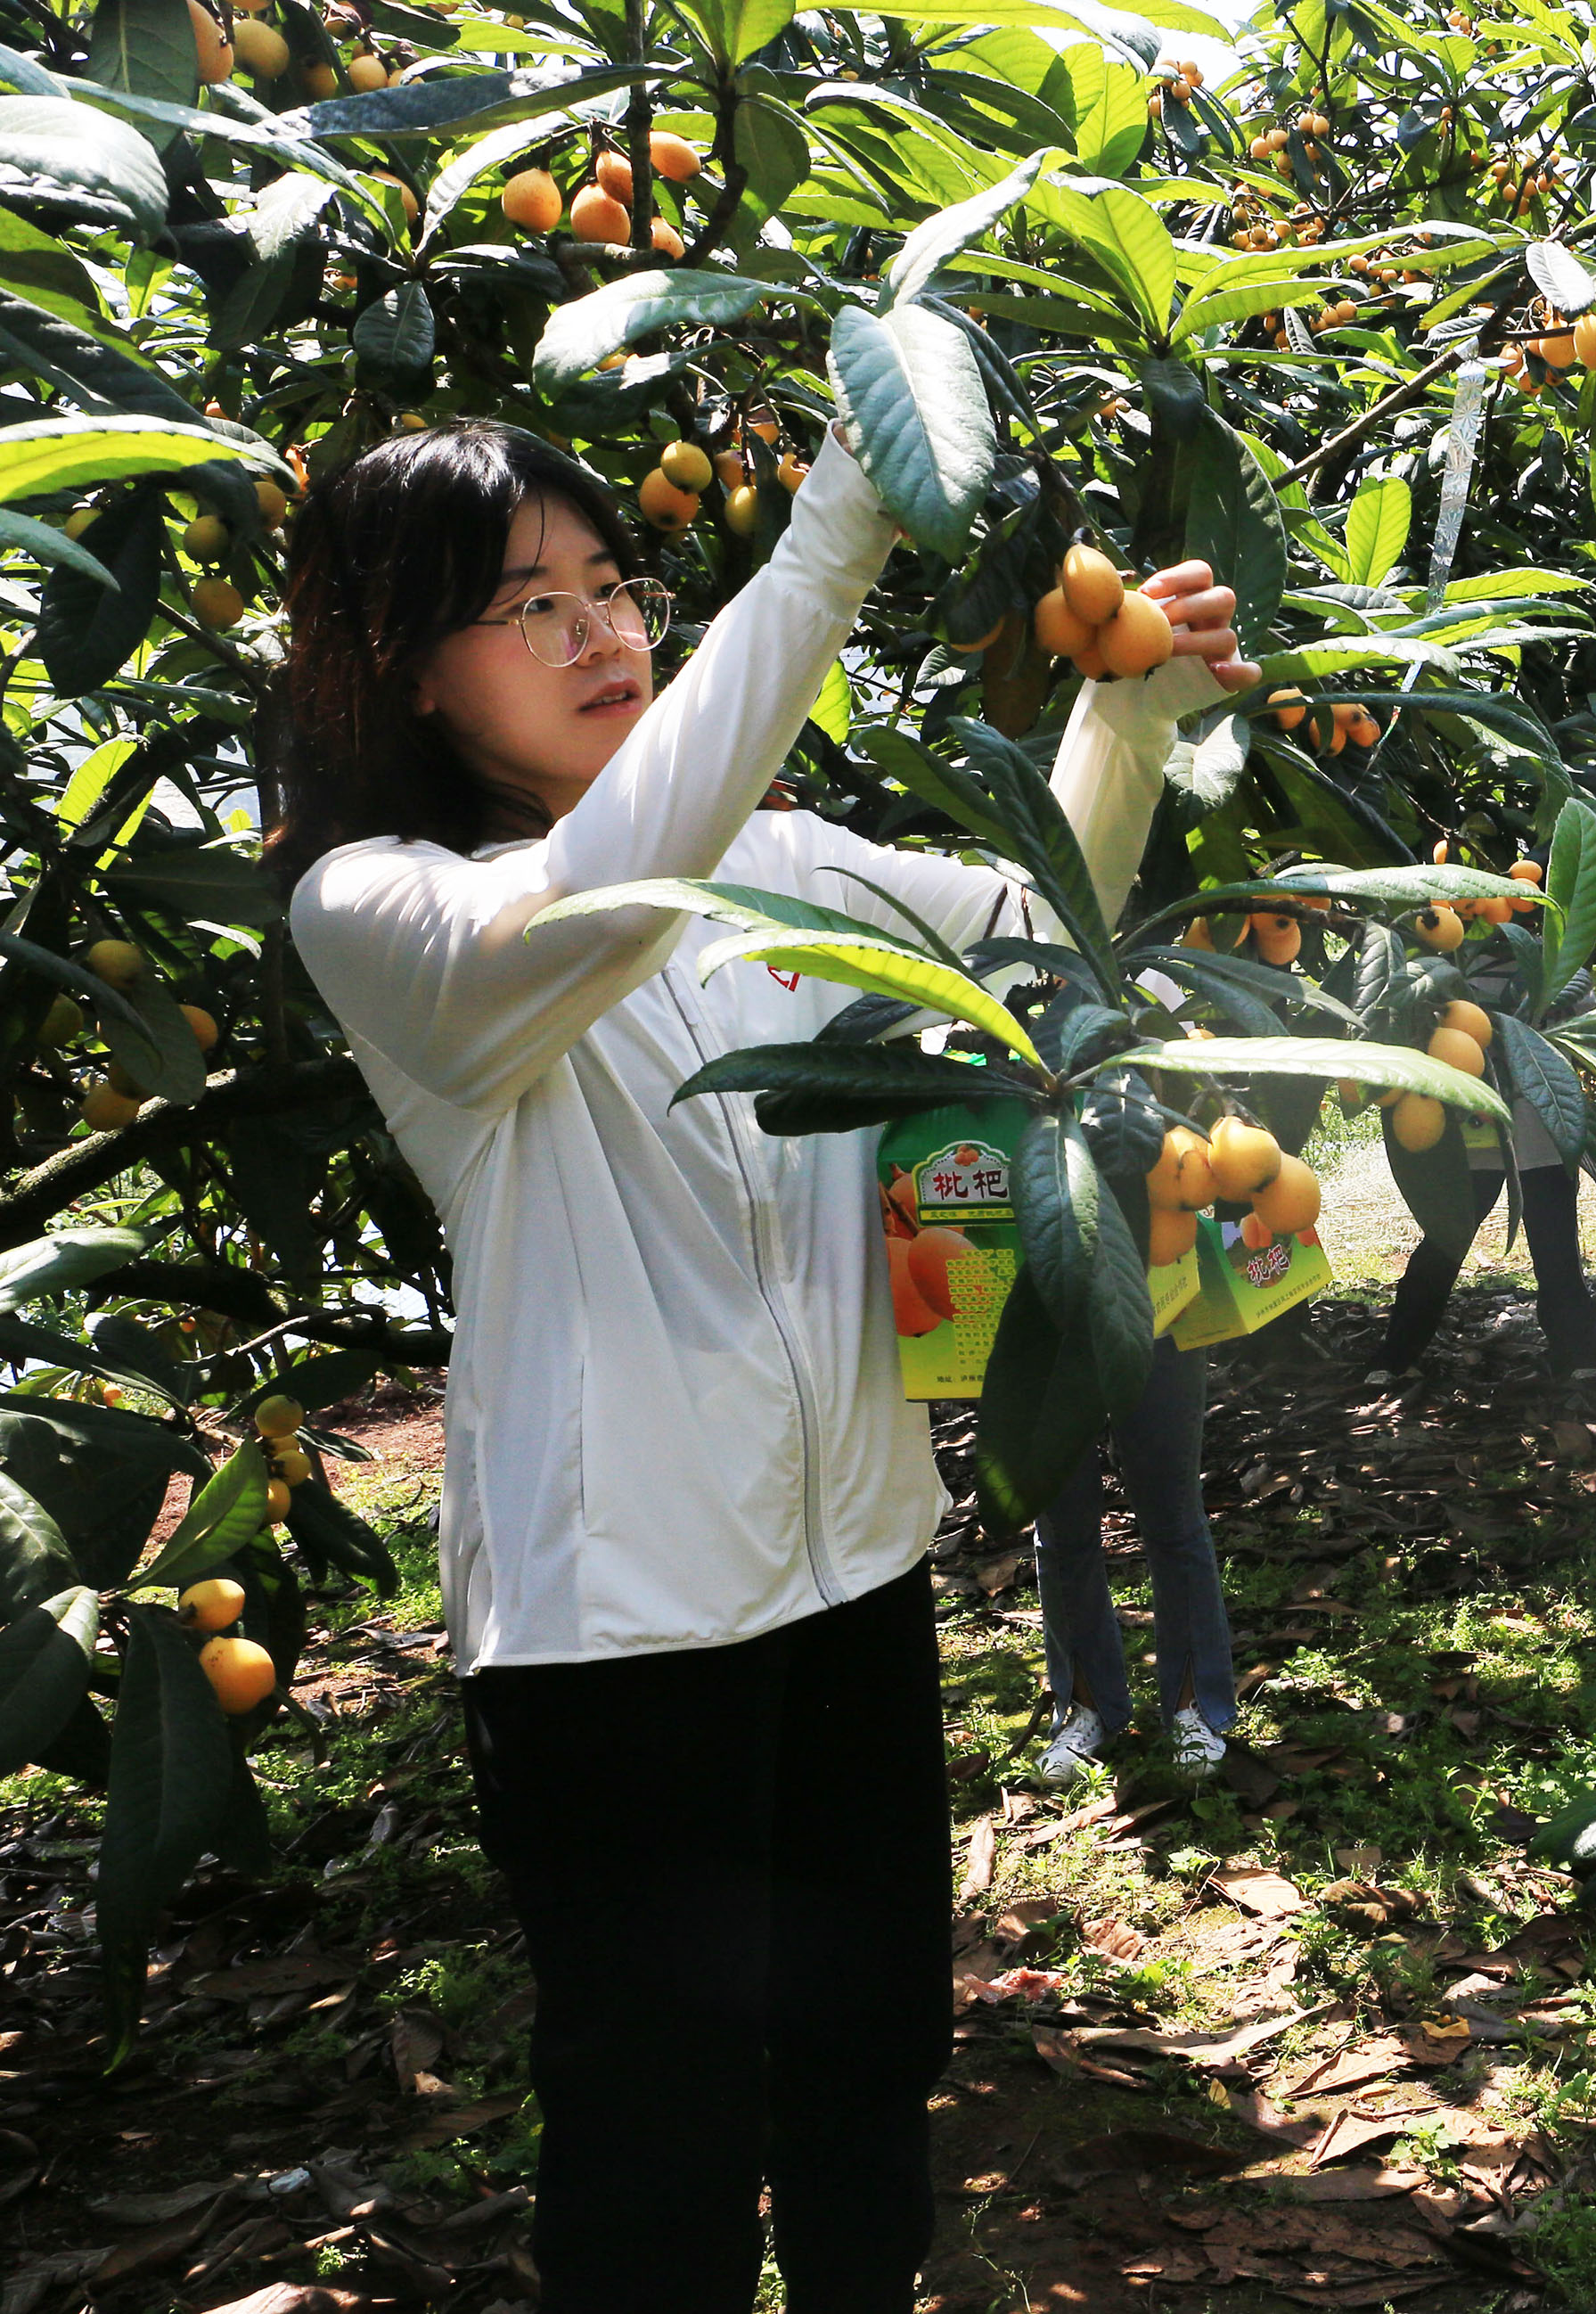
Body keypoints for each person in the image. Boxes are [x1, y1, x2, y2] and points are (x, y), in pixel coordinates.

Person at [270, 420, 1252, 2312]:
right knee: (658, 2124)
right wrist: (824, 546)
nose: (593, 630)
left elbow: (1041, 938)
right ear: (404, 667)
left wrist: (1127, 706)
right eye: (521, 606)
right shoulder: (383, 905)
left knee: (870, 2054)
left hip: (856, 1568)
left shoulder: (786, 868)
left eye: (609, 587)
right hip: (616, 1636)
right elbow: (593, 905)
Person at [1372, 957, 1596, 1380]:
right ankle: (1396, 1356)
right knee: (1448, 1246)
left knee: (1548, 1253)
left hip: (1533, 1136)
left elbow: (1585, 1025)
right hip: (1479, 1138)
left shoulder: (1548, 961)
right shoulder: (1447, 964)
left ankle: (1579, 1358)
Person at [1031, 1336, 1238, 1785]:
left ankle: (1193, 1705)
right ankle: (1088, 1708)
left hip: (1160, 1300)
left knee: (1173, 1514)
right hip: (1038, 1314)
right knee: (1061, 1523)